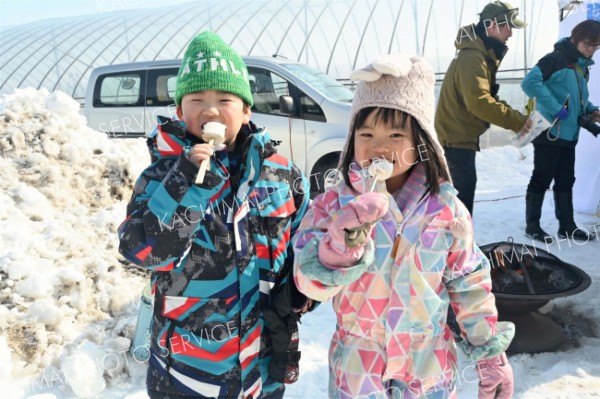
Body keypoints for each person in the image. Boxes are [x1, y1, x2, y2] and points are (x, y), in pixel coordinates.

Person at [293, 54, 515, 399]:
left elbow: (469, 284)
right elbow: (310, 286)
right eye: (366, 133)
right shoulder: (333, 205)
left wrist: (489, 354)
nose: (379, 146)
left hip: (428, 372)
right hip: (358, 371)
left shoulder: (446, 211)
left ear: (421, 142)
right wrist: (339, 248)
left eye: (396, 133)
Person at [118, 31, 311, 399]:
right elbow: (142, 251)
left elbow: (307, 244)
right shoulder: (161, 176)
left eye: (224, 99)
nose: (210, 110)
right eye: (196, 99)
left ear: (246, 110)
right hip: (188, 371)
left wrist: (308, 289)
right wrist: (186, 183)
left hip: (264, 363)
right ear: (179, 110)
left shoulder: (281, 174)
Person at [435, 1, 532, 215]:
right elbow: (479, 102)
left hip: (460, 139)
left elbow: (487, 97)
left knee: (460, 199)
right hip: (456, 141)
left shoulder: (480, 55)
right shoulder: (473, 57)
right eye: (508, 27)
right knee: (460, 204)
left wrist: (517, 119)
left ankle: (460, 245)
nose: (510, 34)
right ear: (492, 25)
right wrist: (518, 121)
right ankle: (458, 246)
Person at [521, 19, 600, 243]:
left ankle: (567, 226)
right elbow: (529, 83)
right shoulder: (554, 59)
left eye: (596, 46)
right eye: (588, 44)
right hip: (549, 132)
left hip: (569, 134)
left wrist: (592, 110)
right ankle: (532, 226)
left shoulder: (582, 66)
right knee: (542, 178)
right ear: (575, 39)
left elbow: (577, 98)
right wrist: (557, 109)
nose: (592, 49)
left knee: (566, 180)